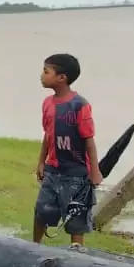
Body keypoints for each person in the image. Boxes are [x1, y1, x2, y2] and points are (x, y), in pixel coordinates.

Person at [33, 53, 101, 246]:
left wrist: (94, 171)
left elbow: (89, 140)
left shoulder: (80, 105)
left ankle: (76, 251)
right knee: (41, 210)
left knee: (75, 216)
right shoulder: (47, 104)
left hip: (76, 173)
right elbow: (48, 135)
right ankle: (35, 247)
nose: (41, 75)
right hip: (53, 170)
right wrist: (41, 162)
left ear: (61, 78)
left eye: (46, 72)